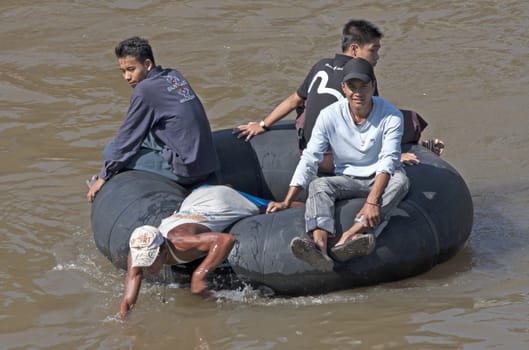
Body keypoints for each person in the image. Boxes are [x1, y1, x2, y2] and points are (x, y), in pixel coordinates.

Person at [234, 19, 443, 169]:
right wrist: (392, 156)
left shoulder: (321, 65)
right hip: (336, 158)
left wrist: (262, 125)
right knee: (403, 119)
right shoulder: (362, 76)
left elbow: (293, 100)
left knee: (306, 107)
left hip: (307, 152)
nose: (378, 56)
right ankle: (417, 147)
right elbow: (370, 124)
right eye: (374, 50)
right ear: (354, 49)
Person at [266, 58, 410, 271]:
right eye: (352, 86)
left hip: (379, 179)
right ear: (343, 88)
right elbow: (309, 158)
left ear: (373, 86)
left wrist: (372, 202)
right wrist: (287, 201)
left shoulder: (391, 115)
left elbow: (388, 160)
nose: (358, 93)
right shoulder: (329, 115)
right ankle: (319, 247)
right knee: (318, 185)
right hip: (347, 178)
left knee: (401, 180)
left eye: (364, 86)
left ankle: (352, 234)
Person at [87, 37, 219, 202]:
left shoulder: (145, 90)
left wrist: (103, 177)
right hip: (208, 161)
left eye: (131, 69)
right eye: (123, 71)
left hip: (189, 171)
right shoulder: (173, 75)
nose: (127, 77)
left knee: (110, 150)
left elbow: (127, 137)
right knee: (140, 137)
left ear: (148, 65)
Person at [119, 185, 273, 319]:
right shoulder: (138, 251)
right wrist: (126, 325)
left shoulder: (179, 242)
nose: (147, 267)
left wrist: (199, 275)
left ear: (164, 250)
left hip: (222, 203)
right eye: (144, 262)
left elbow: (226, 240)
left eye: (150, 260)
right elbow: (128, 299)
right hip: (195, 201)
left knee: (275, 207)